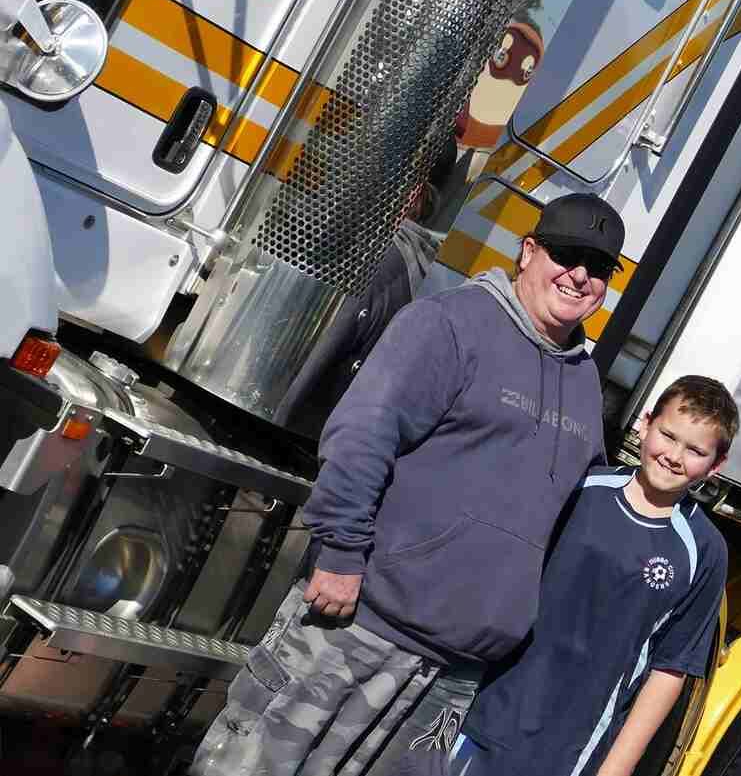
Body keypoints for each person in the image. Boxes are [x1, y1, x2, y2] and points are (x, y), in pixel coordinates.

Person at [191, 192, 626, 776]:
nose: (579, 276)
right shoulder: (450, 323)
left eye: (597, 268)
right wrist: (342, 552)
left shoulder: (583, 383)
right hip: (359, 625)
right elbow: (362, 434)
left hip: (454, 671)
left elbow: (576, 512)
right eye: (567, 255)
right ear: (528, 252)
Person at [437, 375, 736, 776]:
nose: (674, 455)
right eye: (668, 435)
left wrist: (617, 768)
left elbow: (670, 669)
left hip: (574, 747)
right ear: (645, 425)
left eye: (695, 450)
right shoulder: (583, 487)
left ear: (715, 466)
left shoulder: (704, 551)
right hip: (489, 708)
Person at [274, 141, 459, 438]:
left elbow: (314, 361)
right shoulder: (422, 264)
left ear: (414, 194)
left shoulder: (376, 256)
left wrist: (275, 423)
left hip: (287, 431)